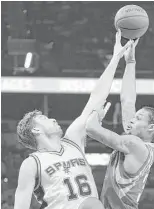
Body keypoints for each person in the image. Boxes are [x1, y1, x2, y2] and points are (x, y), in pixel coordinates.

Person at [14, 32, 133, 209]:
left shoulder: (73, 141)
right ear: (35, 130)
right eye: (44, 119)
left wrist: (115, 59)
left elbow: (96, 98)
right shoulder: (32, 164)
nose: (52, 119)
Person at [86, 39, 154, 209]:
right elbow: (128, 101)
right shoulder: (139, 142)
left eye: (138, 118)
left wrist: (97, 110)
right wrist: (130, 62)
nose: (132, 119)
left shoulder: (134, 144)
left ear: (151, 127)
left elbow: (91, 129)